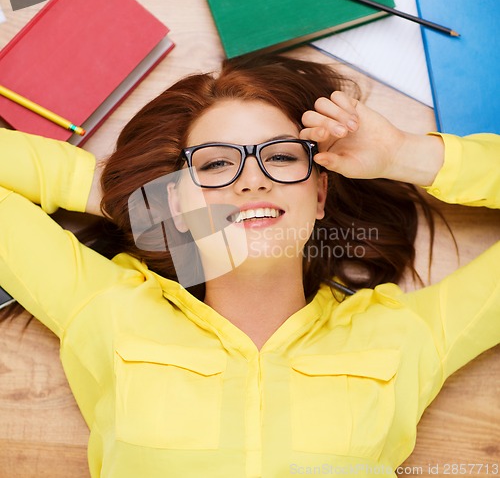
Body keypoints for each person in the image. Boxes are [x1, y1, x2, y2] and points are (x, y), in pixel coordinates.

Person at [0, 54, 498, 477]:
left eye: (280, 157)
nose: (252, 181)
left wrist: (406, 155)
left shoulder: (406, 336)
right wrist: (121, 194)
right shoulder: (107, 309)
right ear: (174, 202)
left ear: (319, 192)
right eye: (215, 164)